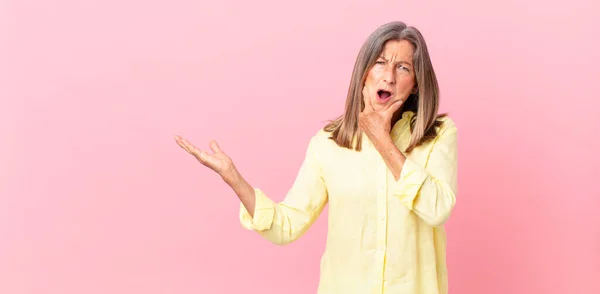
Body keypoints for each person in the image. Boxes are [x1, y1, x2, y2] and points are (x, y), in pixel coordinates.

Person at [175, 21, 457, 294]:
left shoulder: (439, 135)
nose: (389, 76)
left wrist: (382, 140)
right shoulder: (327, 144)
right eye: (380, 62)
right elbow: (286, 226)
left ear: (417, 83)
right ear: (364, 72)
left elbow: (438, 209)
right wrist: (234, 179)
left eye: (403, 67)